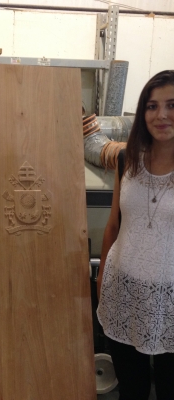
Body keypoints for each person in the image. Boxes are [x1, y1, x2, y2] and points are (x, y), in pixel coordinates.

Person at [97, 70, 174, 400]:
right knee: (132, 388)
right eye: (152, 106)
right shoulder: (127, 159)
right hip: (122, 292)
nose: (162, 115)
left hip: (169, 302)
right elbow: (114, 224)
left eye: (172, 105)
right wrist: (100, 278)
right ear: (142, 113)